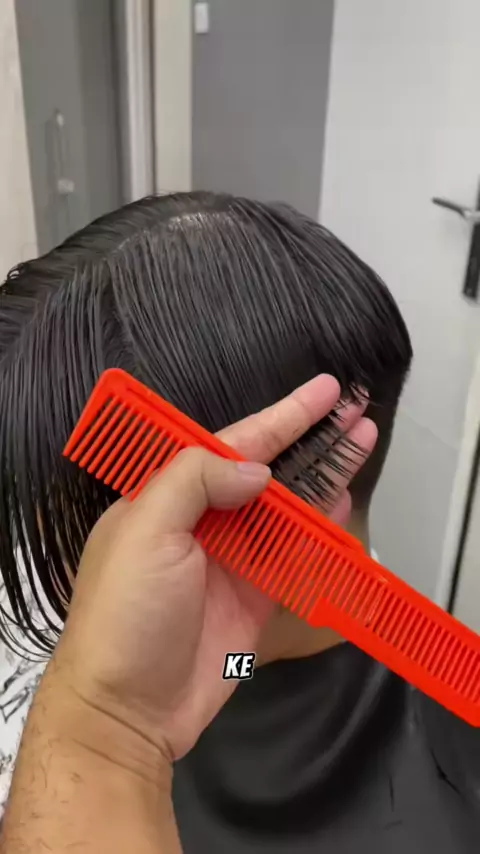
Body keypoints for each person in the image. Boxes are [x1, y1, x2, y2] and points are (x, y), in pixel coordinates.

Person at [5, 193, 478, 852]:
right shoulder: (235, 661)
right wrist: (102, 722)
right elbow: (241, 666)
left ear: (252, 528)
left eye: (66, 528)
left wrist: (99, 735)